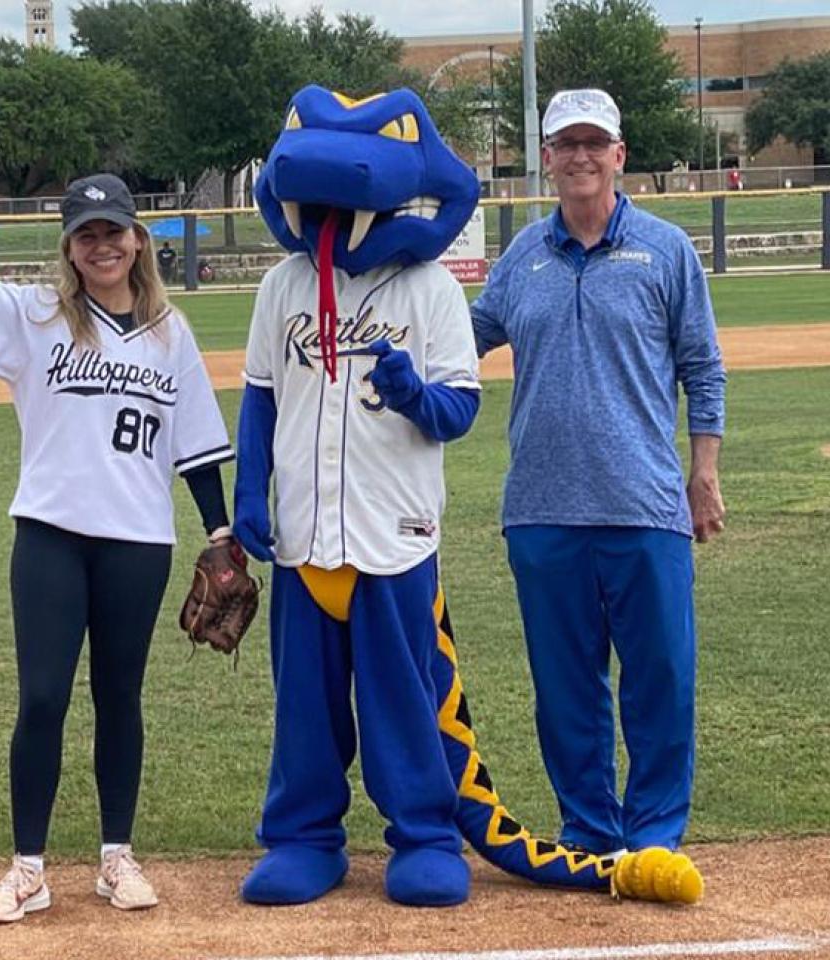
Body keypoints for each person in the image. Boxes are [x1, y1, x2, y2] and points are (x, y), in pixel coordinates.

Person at [0, 158, 236, 923]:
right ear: (69, 246)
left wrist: (218, 531)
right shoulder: (35, 314)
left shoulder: (168, 332)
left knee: (120, 697)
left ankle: (116, 858)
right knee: (43, 698)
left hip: (137, 543)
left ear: (137, 238)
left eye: (112, 230)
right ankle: (29, 869)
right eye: (85, 234)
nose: (100, 245)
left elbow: (196, 446)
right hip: (50, 536)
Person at [232, 85, 483, 907]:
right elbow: (262, 394)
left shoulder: (433, 290)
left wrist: (415, 394)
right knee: (303, 702)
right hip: (304, 534)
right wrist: (250, 494)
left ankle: (424, 834)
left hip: (396, 530)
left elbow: (462, 409)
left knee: (403, 699)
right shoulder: (282, 285)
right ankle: (304, 836)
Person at [470, 89, 726, 858]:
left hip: (645, 507)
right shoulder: (522, 258)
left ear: (619, 154)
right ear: (545, 158)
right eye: (565, 143)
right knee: (567, 693)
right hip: (542, 511)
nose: (580, 155)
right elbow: (462, 340)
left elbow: (702, 368)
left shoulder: (666, 249)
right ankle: (589, 830)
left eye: (595, 142)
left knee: (661, 685)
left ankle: (653, 837)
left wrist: (703, 474)